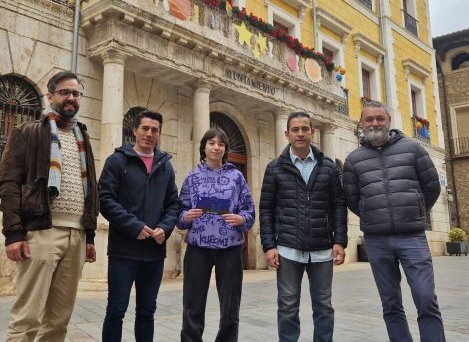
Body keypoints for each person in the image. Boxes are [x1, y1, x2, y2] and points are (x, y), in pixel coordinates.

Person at [0, 70, 99, 341]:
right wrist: (14, 234)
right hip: (41, 233)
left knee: (58, 320)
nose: (71, 98)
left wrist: (89, 236)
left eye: (76, 94)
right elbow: (9, 185)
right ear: (51, 95)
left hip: (76, 236)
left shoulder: (83, 137)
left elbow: (90, 188)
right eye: (65, 92)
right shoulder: (28, 132)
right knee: (27, 317)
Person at [342, 100, 445, 342]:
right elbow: (352, 198)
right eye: (370, 119)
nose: (375, 123)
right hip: (377, 241)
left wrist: (415, 210)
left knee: (425, 297)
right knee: (390, 303)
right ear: (362, 123)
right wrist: (372, 215)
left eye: (380, 118)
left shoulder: (414, 149)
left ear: (389, 121)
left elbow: (431, 187)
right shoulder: (353, 160)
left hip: (413, 237)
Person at [259, 111, 347, 342]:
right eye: (295, 130)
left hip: (322, 249)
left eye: (305, 129)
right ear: (287, 134)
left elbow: (338, 205)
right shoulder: (274, 168)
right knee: (287, 307)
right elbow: (266, 209)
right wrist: (269, 245)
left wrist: (340, 241)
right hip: (287, 249)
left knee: (324, 306)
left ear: (312, 132)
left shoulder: (328, 167)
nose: (300, 134)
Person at [99, 110, 179, 342]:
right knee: (116, 310)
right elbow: (105, 199)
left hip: (154, 253)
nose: (149, 134)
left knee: (147, 312)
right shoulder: (117, 161)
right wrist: (133, 226)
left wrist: (165, 227)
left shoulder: (165, 166)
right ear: (134, 130)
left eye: (154, 130)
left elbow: (173, 203)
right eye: (145, 128)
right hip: (123, 251)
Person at [177, 128, 256, 342]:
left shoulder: (236, 177)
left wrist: (241, 219)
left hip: (230, 248)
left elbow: (249, 210)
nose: (216, 147)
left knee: (230, 307)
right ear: (203, 147)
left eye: (221, 144)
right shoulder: (192, 177)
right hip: (197, 248)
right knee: (192, 305)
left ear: (225, 149)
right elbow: (178, 212)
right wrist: (186, 216)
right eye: (211, 143)